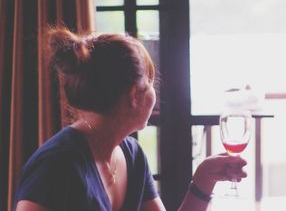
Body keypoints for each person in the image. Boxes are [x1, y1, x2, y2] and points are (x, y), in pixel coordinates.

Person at [14, 28, 247, 211]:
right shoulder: (56, 165)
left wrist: (204, 179)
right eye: (152, 84)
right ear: (136, 94)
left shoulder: (131, 155)